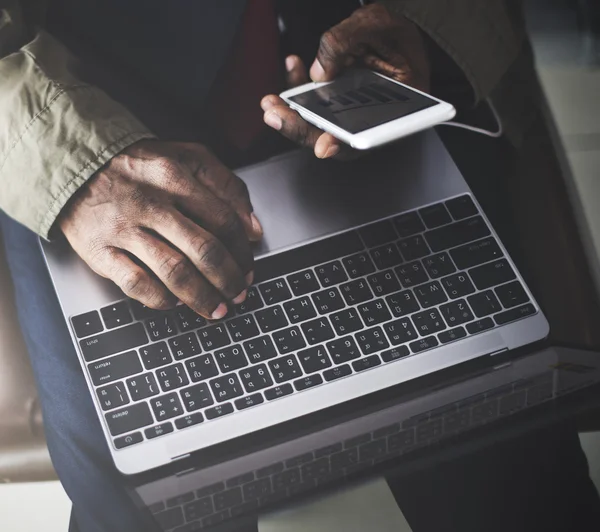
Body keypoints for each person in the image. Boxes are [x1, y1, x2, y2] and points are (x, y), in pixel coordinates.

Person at [0, 0, 599, 529]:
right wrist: (71, 166)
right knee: (149, 490)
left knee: (500, 440)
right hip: (73, 102)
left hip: (351, 56)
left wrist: (424, 20)